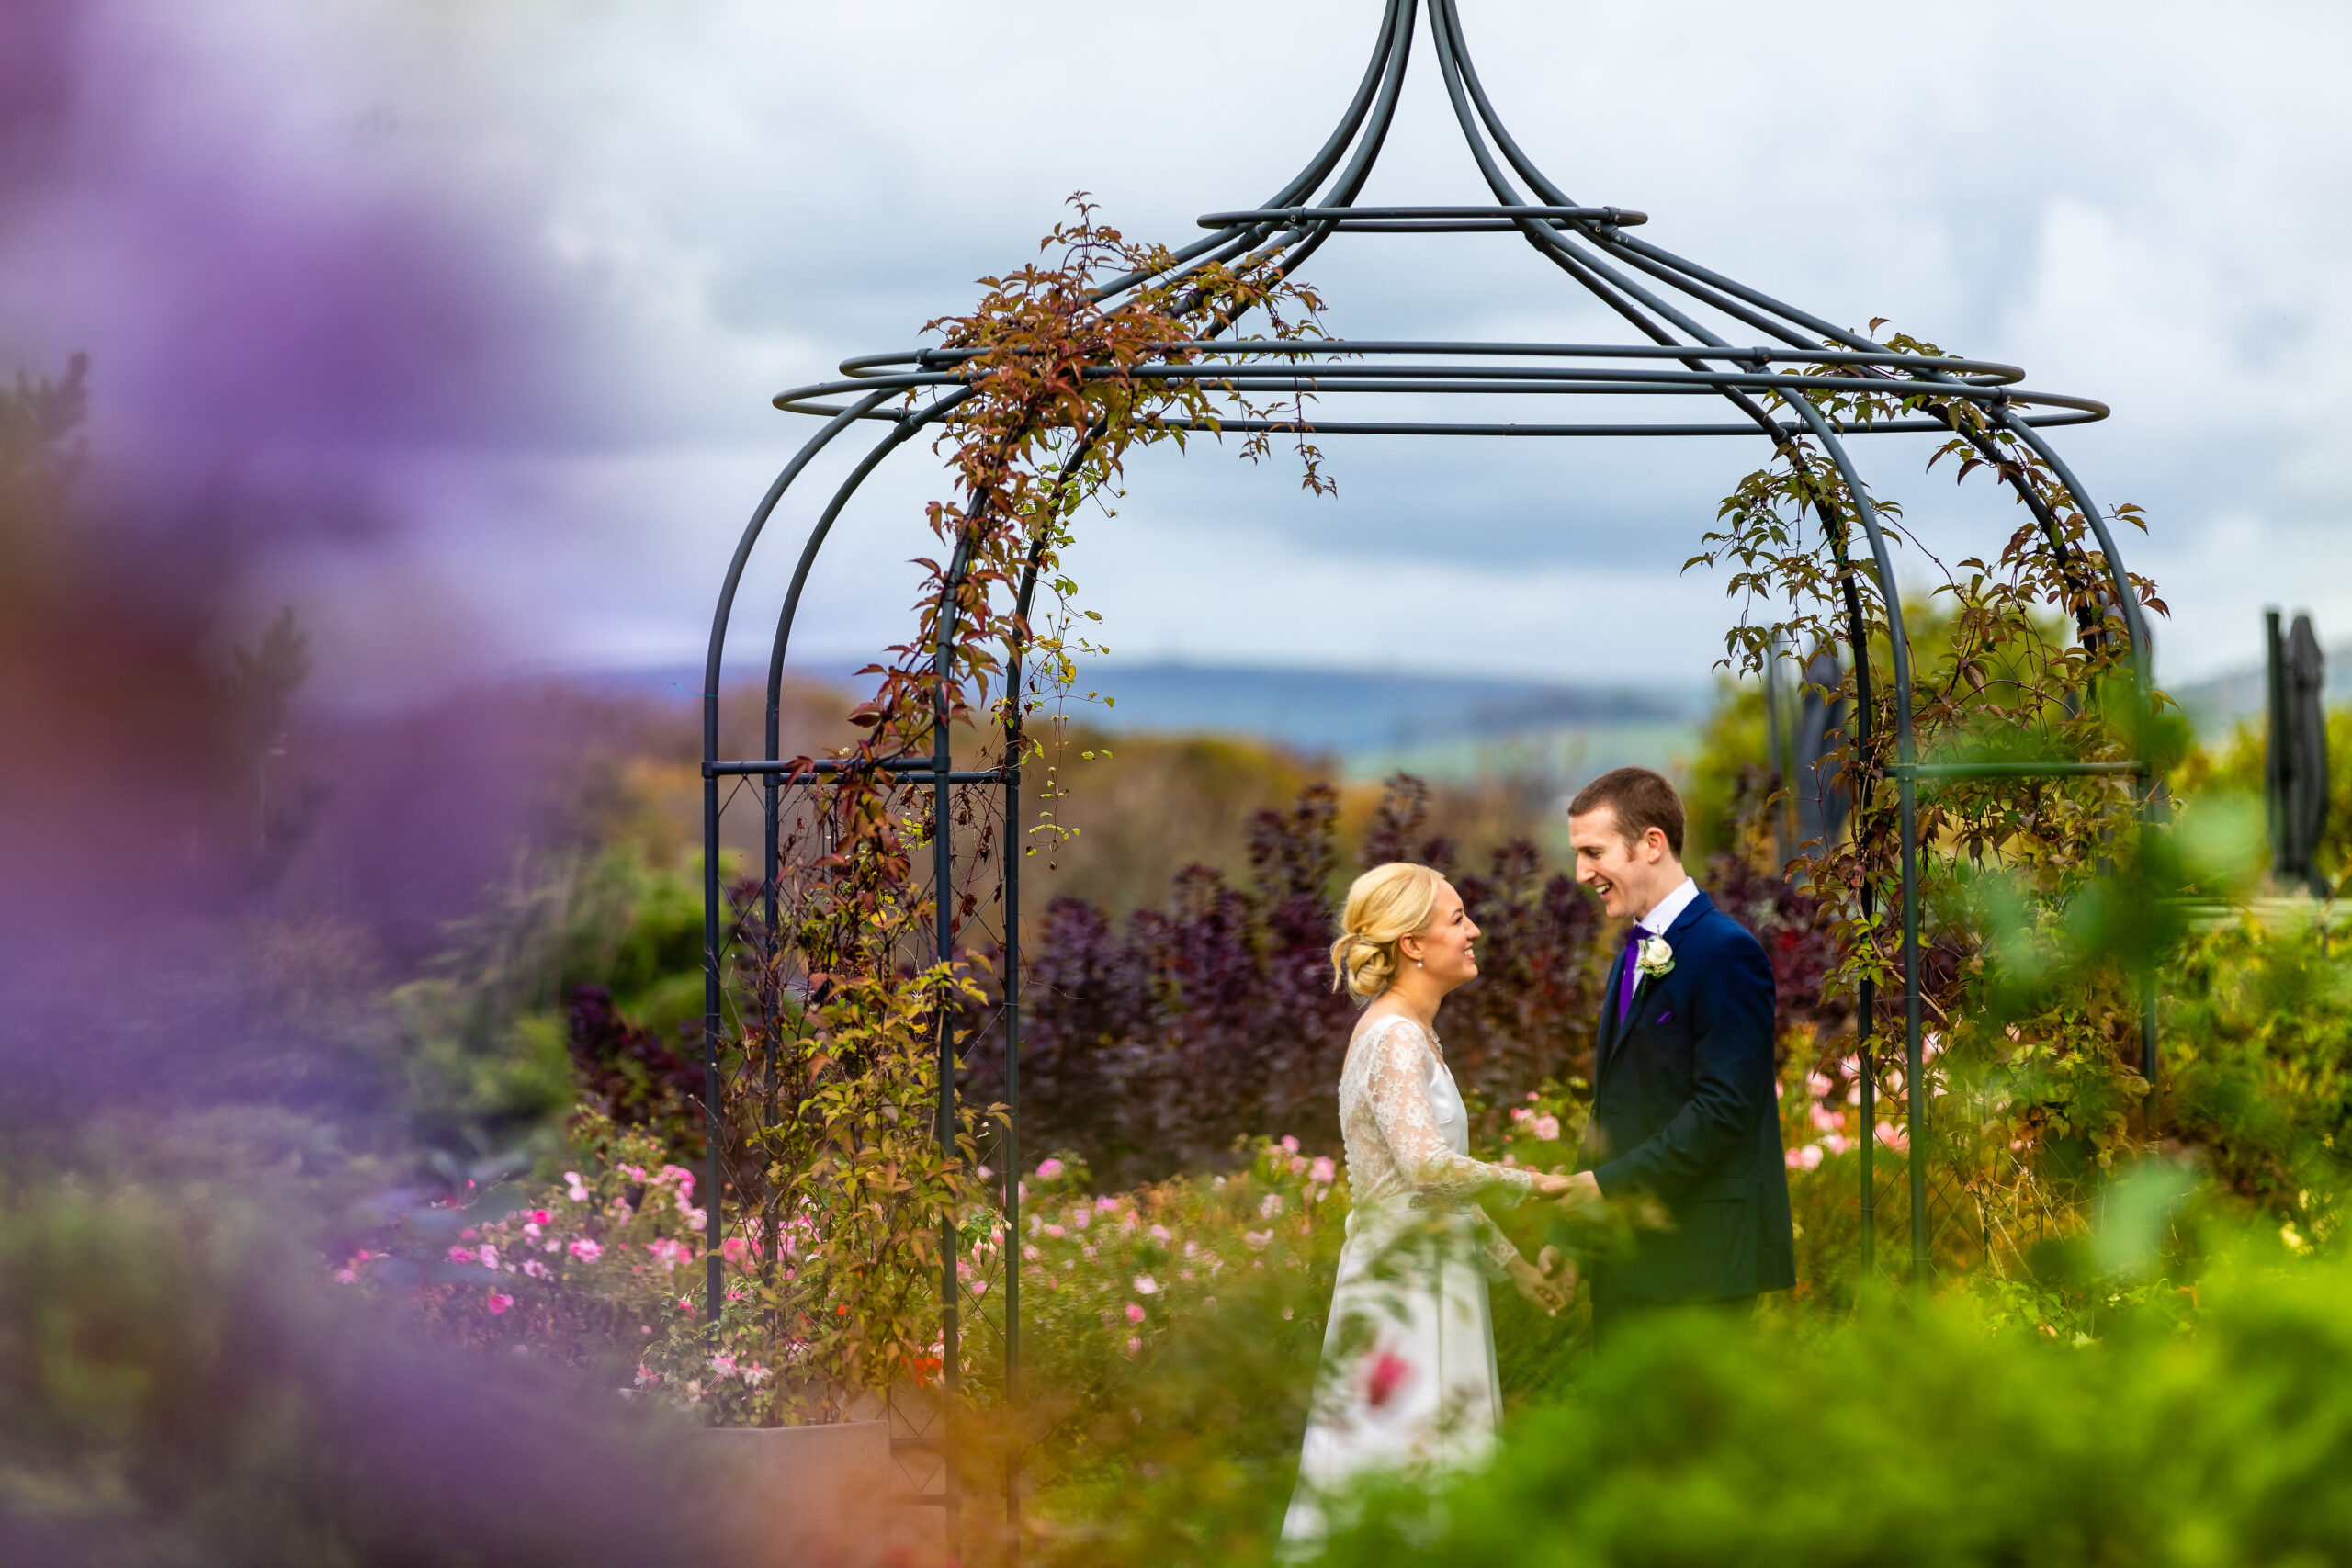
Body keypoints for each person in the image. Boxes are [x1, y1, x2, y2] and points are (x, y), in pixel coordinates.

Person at [1280, 862, 1573, 1547]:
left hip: (1433, 1272)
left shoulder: (1414, 1031)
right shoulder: (1393, 1036)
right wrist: (1533, 1181)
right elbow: (1427, 1168)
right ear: (1412, 943)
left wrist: (1516, 1267)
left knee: (1438, 1466)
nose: (1473, 931)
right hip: (1402, 1291)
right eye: (1456, 918)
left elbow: (1431, 1191)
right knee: (1401, 1463)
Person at [1552, 766, 1795, 1343]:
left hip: (1700, 1266)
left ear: (1651, 844)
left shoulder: (1726, 952)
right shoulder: (1630, 956)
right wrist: (1576, 1237)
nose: (1582, 872)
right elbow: (1611, 1110)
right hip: (1629, 1261)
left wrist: (1609, 1188)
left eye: (1593, 851)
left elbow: (1725, 1110)